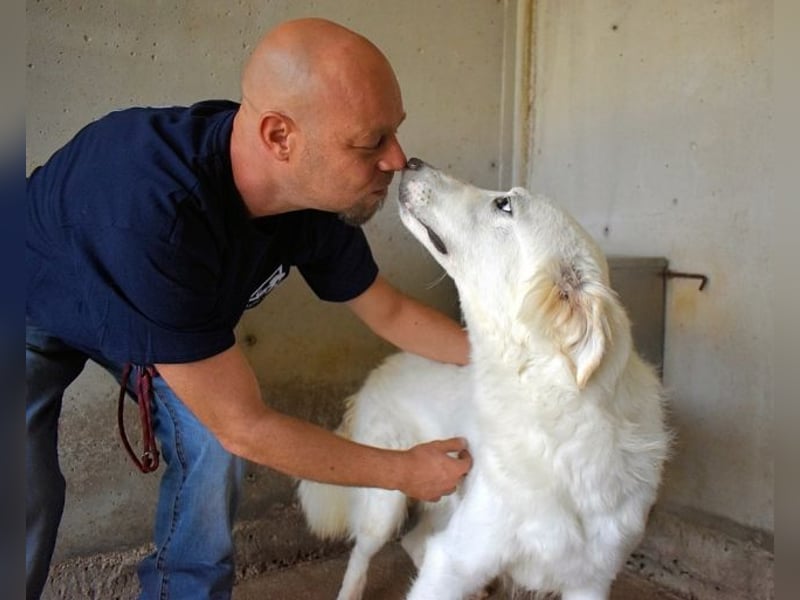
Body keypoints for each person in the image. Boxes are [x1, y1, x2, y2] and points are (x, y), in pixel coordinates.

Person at [26, 17, 472, 600]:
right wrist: (405, 472)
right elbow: (247, 427)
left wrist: (517, 360)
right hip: (29, 293)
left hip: (148, 302)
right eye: (371, 142)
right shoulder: (158, 216)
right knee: (24, 495)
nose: (397, 159)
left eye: (395, 133)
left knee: (210, 452)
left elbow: (388, 312)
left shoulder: (312, 197)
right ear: (279, 137)